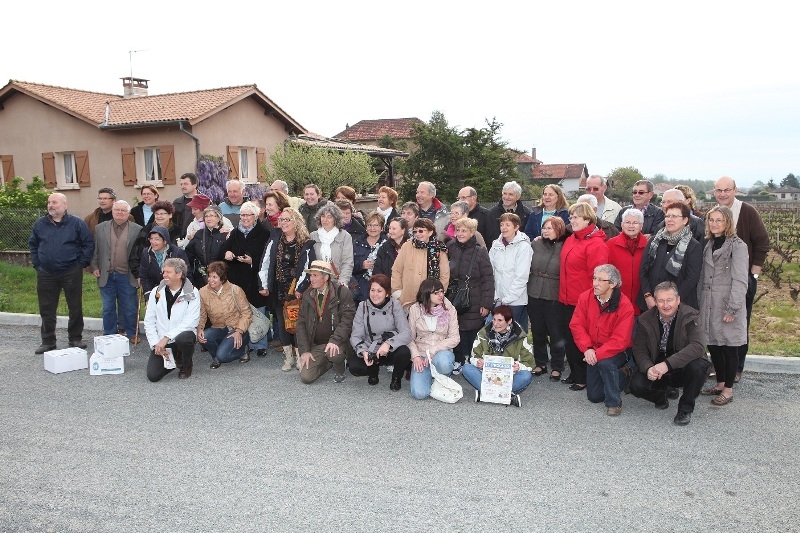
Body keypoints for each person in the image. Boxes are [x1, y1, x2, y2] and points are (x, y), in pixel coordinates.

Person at [713, 176, 769, 382]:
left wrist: (752, 274)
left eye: (727, 190)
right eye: (719, 190)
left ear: (735, 190)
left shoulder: (747, 212)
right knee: (719, 323)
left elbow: (762, 242)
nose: (723, 194)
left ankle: (737, 368)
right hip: (718, 282)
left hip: (741, 279)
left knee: (739, 324)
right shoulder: (714, 214)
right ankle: (723, 369)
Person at [631, 281, 710, 426]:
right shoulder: (645, 319)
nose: (665, 305)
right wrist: (648, 368)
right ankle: (661, 396)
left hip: (681, 364)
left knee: (699, 367)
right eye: (661, 301)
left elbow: (698, 346)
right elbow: (639, 349)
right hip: (658, 363)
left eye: (669, 300)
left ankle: (685, 409)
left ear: (678, 300)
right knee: (636, 385)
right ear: (655, 302)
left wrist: (667, 365)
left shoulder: (691, 315)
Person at [29, 193, 94, 353]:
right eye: (49, 202)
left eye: (55, 202)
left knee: (75, 306)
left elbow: (88, 243)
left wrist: (81, 263)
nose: (51, 205)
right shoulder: (40, 224)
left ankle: (75, 338)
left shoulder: (77, 223)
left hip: (71, 271)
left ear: (65, 205)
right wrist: (38, 264)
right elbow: (33, 244)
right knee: (46, 308)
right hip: (46, 273)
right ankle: (48, 342)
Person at [698, 205, 749, 405]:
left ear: (728, 222)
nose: (715, 224)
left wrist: (733, 308)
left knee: (729, 346)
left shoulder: (738, 246)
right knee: (714, 345)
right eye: (711, 220)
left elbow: (740, 280)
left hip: (726, 303)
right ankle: (719, 383)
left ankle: (728, 390)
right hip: (708, 302)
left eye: (719, 220)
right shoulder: (708, 244)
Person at [569, 264, 635, 416]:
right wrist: (587, 348)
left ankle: (614, 402)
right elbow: (576, 324)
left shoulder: (625, 306)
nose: (594, 283)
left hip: (619, 351)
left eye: (600, 280)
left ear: (613, 284)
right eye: (594, 278)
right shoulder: (585, 297)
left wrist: (596, 354)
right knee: (594, 396)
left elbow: (620, 340)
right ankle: (621, 375)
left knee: (606, 364)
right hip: (592, 349)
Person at [559, 202, 608, 390]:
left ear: (587, 218)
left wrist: (588, 301)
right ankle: (574, 372)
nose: (572, 220)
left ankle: (583, 377)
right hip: (565, 298)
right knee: (569, 339)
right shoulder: (573, 238)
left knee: (580, 340)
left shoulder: (596, 244)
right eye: (570, 217)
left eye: (576, 217)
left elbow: (598, 279)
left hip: (583, 301)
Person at [259, 207, 315, 371]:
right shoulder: (275, 239)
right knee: (283, 323)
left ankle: (299, 357)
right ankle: (288, 358)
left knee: (298, 324)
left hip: (297, 290)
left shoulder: (306, 242)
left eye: (287, 219)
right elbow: (266, 262)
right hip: (279, 288)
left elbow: (308, 268)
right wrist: (264, 284)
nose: (283, 223)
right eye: (281, 220)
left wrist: (300, 288)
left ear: (296, 222)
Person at [222, 201, 270, 361]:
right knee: (242, 313)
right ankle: (245, 344)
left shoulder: (264, 233)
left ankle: (261, 344)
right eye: (242, 215)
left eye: (248, 215)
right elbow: (224, 251)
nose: (244, 218)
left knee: (259, 312)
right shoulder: (235, 233)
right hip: (238, 278)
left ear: (255, 216)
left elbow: (267, 258)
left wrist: (253, 262)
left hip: (255, 278)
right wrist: (227, 253)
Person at [446, 217, 494, 374]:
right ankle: (458, 360)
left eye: (464, 230)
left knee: (474, 331)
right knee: (455, 330)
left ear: (472, 232)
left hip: (474, 297)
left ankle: (474, 361)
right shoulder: (450, 247)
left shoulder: (480, 252)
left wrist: (486, 304)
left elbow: (488, 279)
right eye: (458, 230)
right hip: (453, 295)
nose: (460, 233)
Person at [295, 261, 356, 384]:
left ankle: (339, 369)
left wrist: (335, 340)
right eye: (311, 275)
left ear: (326, 277)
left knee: (333, 353)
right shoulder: (308, 294)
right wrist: (305, 350)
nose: (311, 279)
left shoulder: (341, 292)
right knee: (306, 377)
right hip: (317, 345)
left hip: (338, 342)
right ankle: (328, 363)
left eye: (315, 275)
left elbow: (347, 320)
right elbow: (300, 324)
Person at [349, 274, 413, 390]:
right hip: (371, 347)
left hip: (389, 347)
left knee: (404, 353)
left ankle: (396, 378)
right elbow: (355, 336)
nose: (375, 294)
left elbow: (406, 333)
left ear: (387, 293)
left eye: (379, 291)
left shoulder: (395, 305)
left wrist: (388, 344)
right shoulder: (363, 306)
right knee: (354, 367)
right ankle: (373, 370)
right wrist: (363, 352)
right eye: (372, 290)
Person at [90, 200, 142, 340]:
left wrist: (139, 273)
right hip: (106, 274)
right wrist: (94, 266)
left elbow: (139, 253)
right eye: (117, 210)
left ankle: (132, 333)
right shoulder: (100, 228)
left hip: (127, 275)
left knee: (130, 307)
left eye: (123, 210)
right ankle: (109, 334)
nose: (119, 213)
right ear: (112, 211)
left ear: (128, 213)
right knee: (108, 307)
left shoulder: (137, 229)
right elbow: (95, 249)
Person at [463, 305, 533, 407]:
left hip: (509, 377)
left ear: (509, 321)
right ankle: (507, 396)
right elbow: (473, 356)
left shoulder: (520, 336)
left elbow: (529, 363)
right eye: (494, 319)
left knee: (526, 375)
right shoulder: (483, 333)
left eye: (500, 320)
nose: (495, 324)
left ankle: (485, 394)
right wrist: (478, 362)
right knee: (467, 368)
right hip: (487, 376)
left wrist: (518, 367)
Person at [638, 202, 701, 311]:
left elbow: (692, 278)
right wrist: (647, 296)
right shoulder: (654, 241)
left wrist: (670, 301)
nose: (670, 219)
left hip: (679, 305)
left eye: (675, 216)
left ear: (685, 220)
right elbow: (643, 270)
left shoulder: (693, 246)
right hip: (651, 304)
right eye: (667, 216)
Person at [144, 258, 200, 381]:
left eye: (168, 272)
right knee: (153, 376)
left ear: (179, 274)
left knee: (185, 338)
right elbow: (149, 320)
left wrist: (167, 337)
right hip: (162, 341)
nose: (164, 275)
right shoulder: (156, 291)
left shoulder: (192, 292)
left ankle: (186, 364)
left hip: (180, 336)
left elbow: (191, 321)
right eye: (164, 272)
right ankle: (174, 360)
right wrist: (155, 344)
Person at [527, 216, 567, 381]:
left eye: (550, 228)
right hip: (534, 290)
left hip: (554, 292)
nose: (545, 231)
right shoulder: (535, 244)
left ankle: (557, 365)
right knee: (537, 330)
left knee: (556, 331)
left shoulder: (565, 245)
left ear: (558, 229)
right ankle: (540, 362)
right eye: (544, 227)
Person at [407, 279, 459, 399]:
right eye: (436, 293)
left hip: (441, 353)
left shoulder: (450, 309)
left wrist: (434, 349)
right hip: (422, 354)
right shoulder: (415, 309)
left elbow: (455, 338)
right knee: (419, 394)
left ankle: (442, 376)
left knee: (444, 362)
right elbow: (409, 337)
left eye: (442, 291)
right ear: (426, 294)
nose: (441, 295)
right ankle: (430, 375)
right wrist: (415, 356)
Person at [197, 261, 253, 368]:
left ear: (222, 279)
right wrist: (200, 328)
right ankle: (216, 357)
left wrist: (239, 331)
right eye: (209, 276)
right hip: (219, 328)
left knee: (223, 356)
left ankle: (242, 350)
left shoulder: (235, 290)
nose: (210, 280)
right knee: (206, 336)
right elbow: (202, 314)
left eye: (215, 277)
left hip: (237, 328)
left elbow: (247, 313)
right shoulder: (203, 292)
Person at [391, 218, 450, 310]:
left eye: (421, 231)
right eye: (415, 231)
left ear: (430, 232)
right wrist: (398, 293)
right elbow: (397, 270)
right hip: (407, 301)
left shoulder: (439, 249)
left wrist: (437, 295)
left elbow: (444, 275)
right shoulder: (407, 246)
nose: (417, 234)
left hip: (431, 302)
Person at [489, 213, 532, 332]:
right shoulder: (495, 245)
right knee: (497, 332)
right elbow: (490, 271)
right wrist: (496, 296)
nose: (504, 228)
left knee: (514, 334)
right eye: (502, 224)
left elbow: (521, 276)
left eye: (508, 225)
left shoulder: (523, 247)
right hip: (498, 298)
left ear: (516, 227)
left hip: (515, 300)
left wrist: (507, 299)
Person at [606, 208, 648, 316]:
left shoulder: (649, 246)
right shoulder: (610, 245)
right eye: (628, 222)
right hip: (616, 301)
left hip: (641, 303)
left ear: (641, 226)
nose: (631, 226)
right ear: (621, 224)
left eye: (635, 223)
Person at [184, 205, 230, 288]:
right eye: (206, 216)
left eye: (212, 216)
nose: (209, 219)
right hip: (201, 278)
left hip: (221, 278)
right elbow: (188, 255)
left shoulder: (226, 235)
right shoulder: (199, 234)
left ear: (219, 218)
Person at [309, 203, 354, 287]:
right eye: (323, 216)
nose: (325, 220)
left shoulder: (345, 236)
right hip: (318, 282)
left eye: (329, 217)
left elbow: (348, 262)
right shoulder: (313, 236)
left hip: (337, 282)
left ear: (335, 219)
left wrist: (343, 281)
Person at [136, 226, 190, 294]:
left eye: (157, 239)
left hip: (176, 290)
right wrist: (149, 293)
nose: (153, 242)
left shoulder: (177, 253)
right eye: (151, 239)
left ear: (165, 241)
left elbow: (186, 274)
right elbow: (144, 276)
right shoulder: (146, 253)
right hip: (154, 290)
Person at [351, 211, 386, 304]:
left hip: (381, 288)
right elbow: (349, 265)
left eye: (376, 225)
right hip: (360, 290)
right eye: (369, 225)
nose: (372, 228)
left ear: (382, 227)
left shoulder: (387, 244)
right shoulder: (357, 243)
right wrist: (361, 265)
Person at [487, 180, 530, 245]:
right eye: (505, 193)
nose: (506, 197)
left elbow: (528, 234)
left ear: (518, 197)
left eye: (510, 194)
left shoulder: (526, 213)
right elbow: (489, 236)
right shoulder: (492, 213)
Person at [173, 172, 200, 238]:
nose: (182, 187)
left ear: (195, 185)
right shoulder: (176, 203)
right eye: (181, 184)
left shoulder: (205, 202)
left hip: (198, 239)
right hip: (180, 240)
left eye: (185, 184)